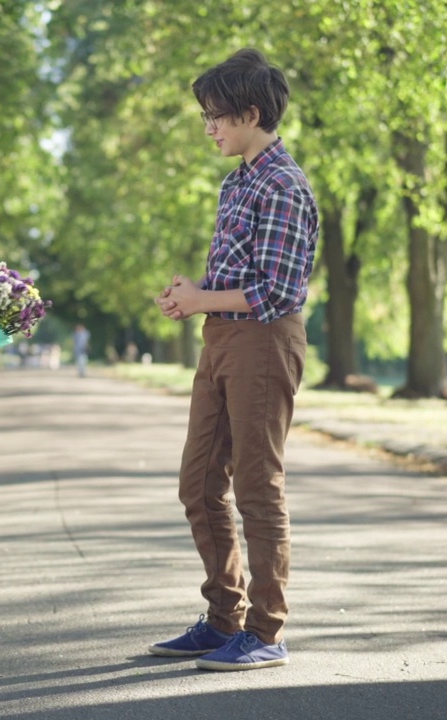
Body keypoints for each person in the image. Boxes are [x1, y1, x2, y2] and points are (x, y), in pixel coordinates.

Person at [151, 48, 318, 671]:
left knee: (255, 485)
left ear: (251, 113)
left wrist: (203, 299)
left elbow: (278, 290)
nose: (209, 128)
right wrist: (190, 298)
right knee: (198, 484)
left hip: (264, 343)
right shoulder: (237, 180)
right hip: (220, 339)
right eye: (204, 117)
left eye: (216, 116)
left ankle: (267, 633)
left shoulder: (282, 184)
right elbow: (239, 275)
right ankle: (227, 620)